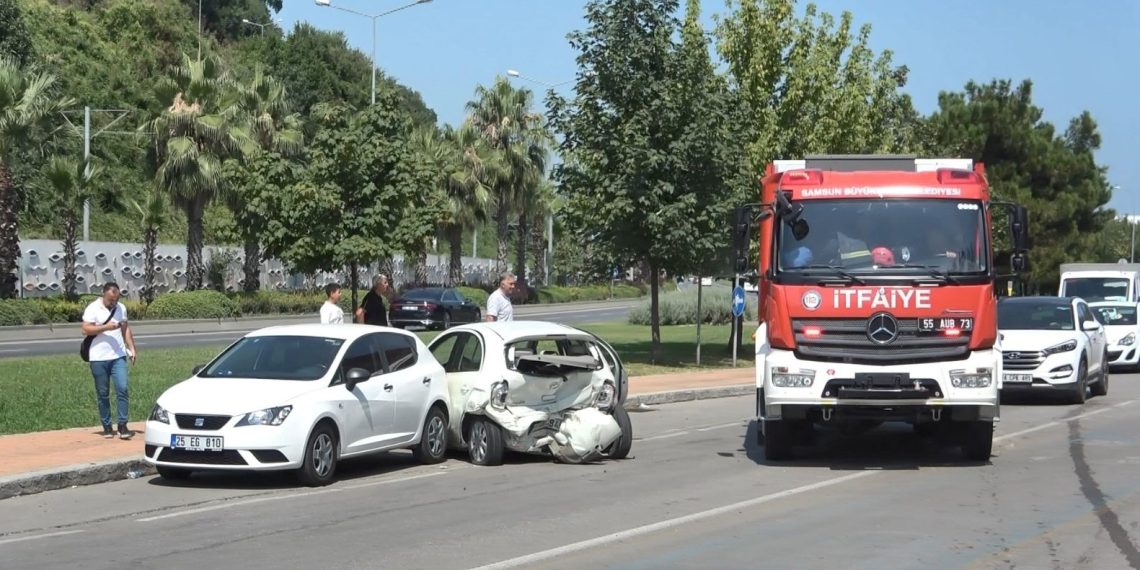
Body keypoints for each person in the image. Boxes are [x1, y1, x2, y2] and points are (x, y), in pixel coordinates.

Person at [81, 282, 137, 440]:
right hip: (98, 357)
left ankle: (122, 424)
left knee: (123, 388)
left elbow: (125, 328)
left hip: (118, 355)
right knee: (103, 393)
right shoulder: (93, 308)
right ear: (103, 294)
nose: (114, 302)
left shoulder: (121, 308)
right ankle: (107, 426)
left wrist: (132, 348)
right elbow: (85, 329)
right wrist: (106, 327)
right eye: (111, 299)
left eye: (116, 299)